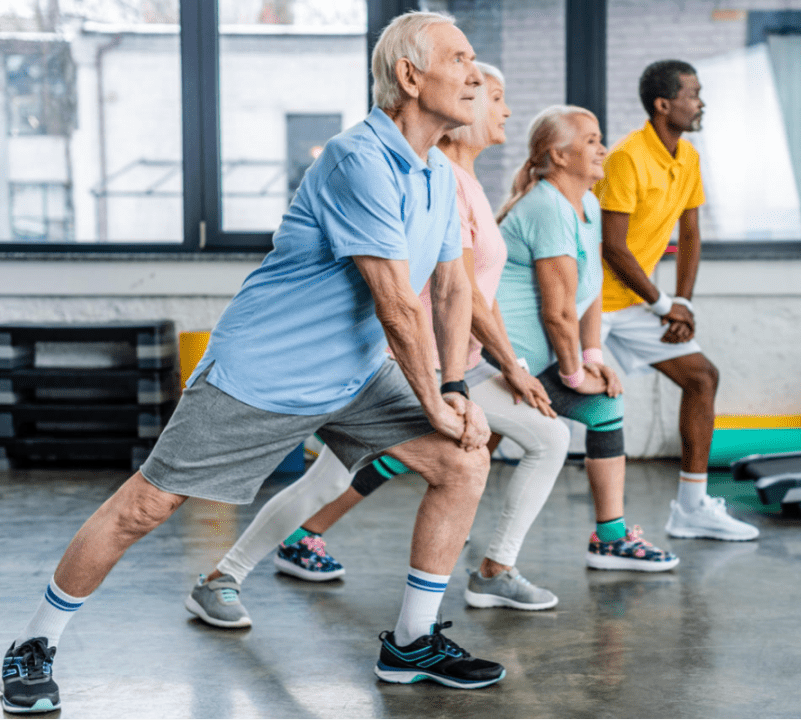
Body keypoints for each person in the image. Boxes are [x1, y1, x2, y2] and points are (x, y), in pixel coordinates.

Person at [1, 12, 506, 712]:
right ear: (410, 76)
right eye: (461, 58)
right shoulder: (357, 158)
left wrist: (454, 388)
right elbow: (397, 302)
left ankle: (411, 643)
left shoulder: (435, 175)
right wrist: (437, 404)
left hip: (354, 374)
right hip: (263, 374)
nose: (476, 73)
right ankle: (34, 643)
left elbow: (450, 287)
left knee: (461, 461)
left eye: (475, 59)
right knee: (148, 505)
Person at [183, 62, 571, 624]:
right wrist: (499, 369)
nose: (505, 109)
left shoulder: (463, 181)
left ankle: (228, 574)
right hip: (418, 366)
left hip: (453, 368)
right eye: (494, 96)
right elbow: (449, 292)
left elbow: (471, 292)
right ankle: (490, 572)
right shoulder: (443, 181)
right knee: (544, 438)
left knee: (336, 479)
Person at [494, 104, 679, 572]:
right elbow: (556, 312)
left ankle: (611, 539)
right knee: (425, 450)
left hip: (536, 363)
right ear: (558, 156)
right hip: (502, 362)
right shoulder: (546, 206)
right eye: (592, 140)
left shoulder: (587, 204)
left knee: (604, 407)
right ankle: (308, 531)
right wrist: (574, 374)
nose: (602, 148)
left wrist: (592, 357)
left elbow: (589, 291)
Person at [593, 59, 759, 542]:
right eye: (693, 93)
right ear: (664, 105)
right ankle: (461, 486)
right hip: (593, 302)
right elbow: (613, 248)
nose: (701, 102)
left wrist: (683, 304)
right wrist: (666, 305)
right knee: (527, 399)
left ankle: (691, 508)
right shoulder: (626, 156)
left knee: (702, 376)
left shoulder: (687, 159)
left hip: (636, 302)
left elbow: (690, 234)